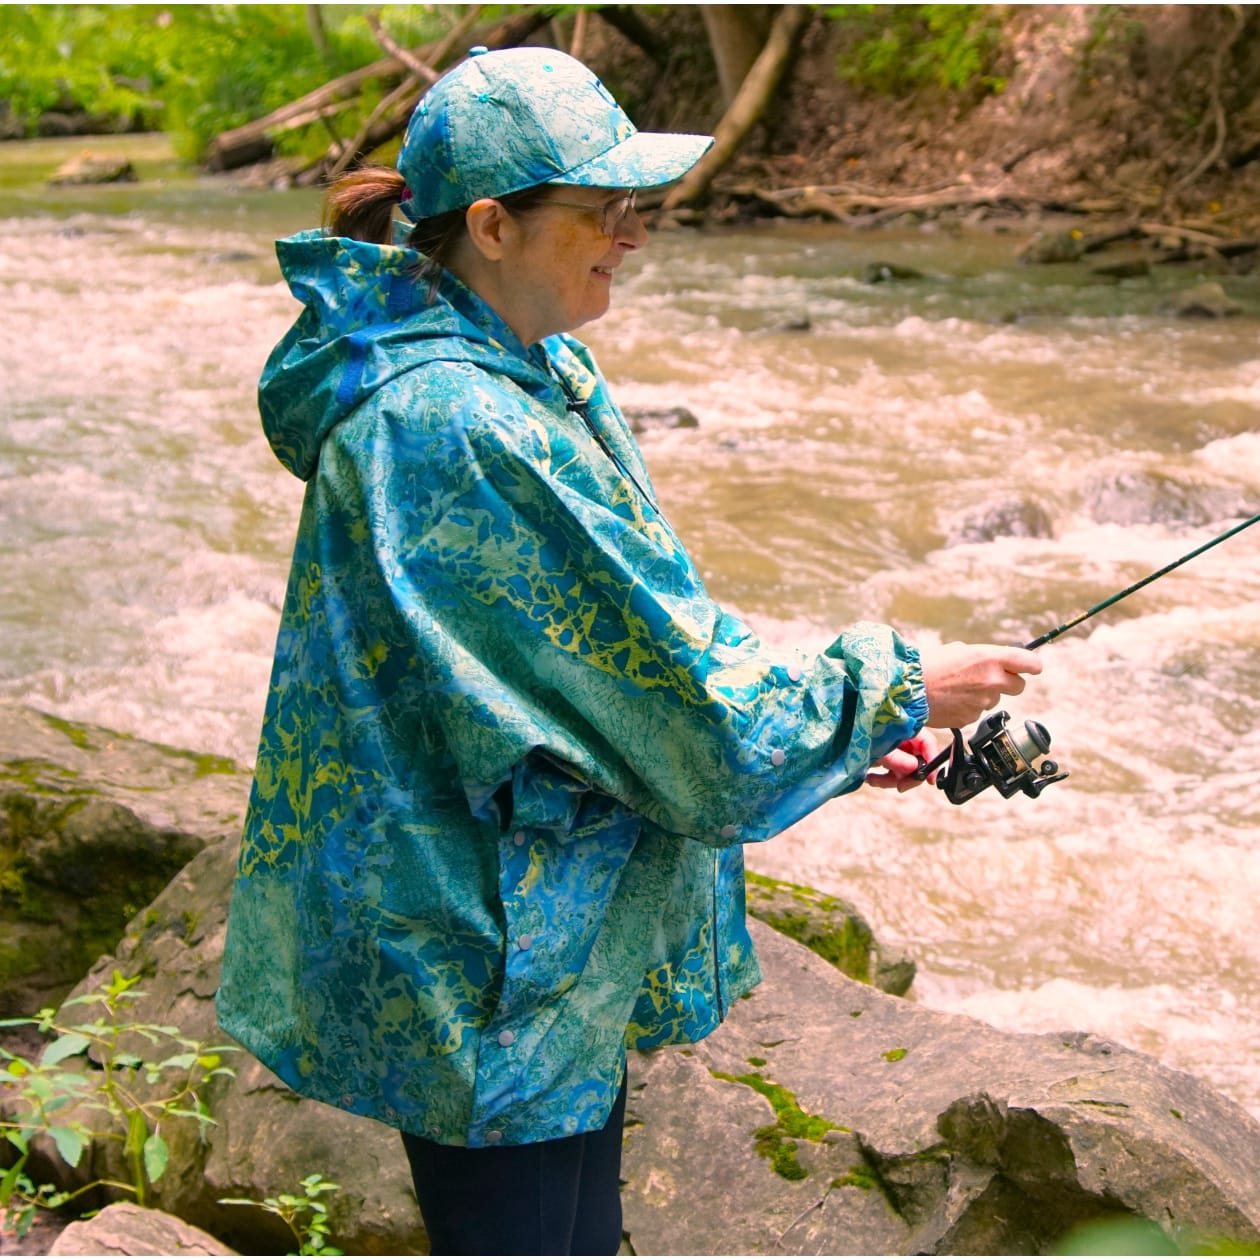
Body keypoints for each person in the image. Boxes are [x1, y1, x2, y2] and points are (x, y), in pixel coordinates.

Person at [216, 45, 1042, 1256]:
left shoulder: (531, 372)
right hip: (485, 954)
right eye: (601, 209)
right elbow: (685, 710)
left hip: (527, 930)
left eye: (635, 205)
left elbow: (625, 655)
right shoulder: (453, 422)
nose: (633, 233)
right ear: (491, 225)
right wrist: (898, 683)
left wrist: (847, 736)